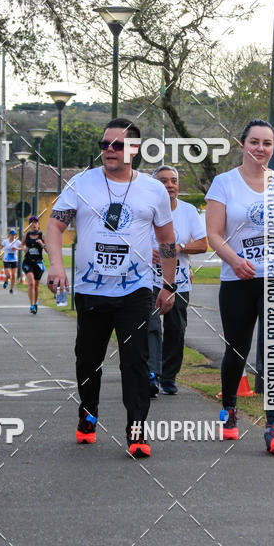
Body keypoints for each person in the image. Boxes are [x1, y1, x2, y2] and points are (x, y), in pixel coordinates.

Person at [45, 117, 177, 458]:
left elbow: (167, 241)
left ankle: (137, 432)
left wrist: (168, 285)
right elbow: (55, 226)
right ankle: (88, 415)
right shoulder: (81, 183)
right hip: (91, 289)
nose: (108, 151)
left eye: (117, 145)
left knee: (135, 360)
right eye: (104, 144)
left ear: (134, 149)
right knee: (87, 359)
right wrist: (57, 265)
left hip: (135, 290)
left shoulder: (154, 190)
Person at [205, 119, 274, 455]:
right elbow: (213, 234)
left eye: (267, 143)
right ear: (242, 145)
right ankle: (229, 412)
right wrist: (235, 260)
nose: (261, 149)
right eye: (255, 142)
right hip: (238, 280)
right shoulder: (224, 183)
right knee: (236, 349)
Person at [149, 166, 207, 395]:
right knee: (151, 327)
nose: (170, 185)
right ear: (155, 185)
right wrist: (146, 251)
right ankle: (152, 375)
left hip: (179, 282)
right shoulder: (146, 209)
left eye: (173, 181)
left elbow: (203, 244)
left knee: (176, 329)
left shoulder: (189, 211)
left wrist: (180, 247)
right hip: (148, 280)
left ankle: (168, 377)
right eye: (164, 181)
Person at [22, 216, 46, 314]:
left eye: (36, 222)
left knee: (36, 285)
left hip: (39, 263)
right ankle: (31, 305)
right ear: (29, 226)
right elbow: (21, 245)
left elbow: (48, 249)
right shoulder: (26, 235)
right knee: (31, 283)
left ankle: (35, 303)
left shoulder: (42, 236)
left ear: (39, 225)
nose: (34, 224)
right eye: (32, 223)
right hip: (28, 262)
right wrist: (23, 248)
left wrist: (42, 244)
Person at [1, 228, 21, 293]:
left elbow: (23, 247)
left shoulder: (17, 242)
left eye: (14, 235)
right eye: (12, 235)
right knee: (9, 275)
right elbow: (0, 248)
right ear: (9, 235)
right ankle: (6, 281)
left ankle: (11, 289)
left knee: (14, 275)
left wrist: (16, 248)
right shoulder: (5, 241)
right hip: (6, 260)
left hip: (14, 260)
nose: (13, 236)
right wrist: (0, 255)